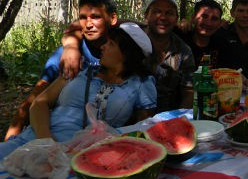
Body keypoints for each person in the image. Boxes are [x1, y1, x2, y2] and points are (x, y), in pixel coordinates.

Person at [0, 23, 157, 160]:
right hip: (34, 139)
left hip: (85, 156)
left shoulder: (141, 84)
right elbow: (39, 104)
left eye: (110, 44)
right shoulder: (81, 70)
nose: (102, 46)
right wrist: (45, 140)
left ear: (126, 54)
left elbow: (142, 130)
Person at [4, 0, 118, 141]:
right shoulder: (65, 56)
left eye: (96, 17)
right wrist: (10, 141)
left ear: (113, 18)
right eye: (83, 18)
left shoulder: (124, 52)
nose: (88, 24)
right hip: (58, 134)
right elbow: (33, 100)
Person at [143, 0, 196, 112]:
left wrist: (178, 119)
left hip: (167, 118)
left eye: (169, 13)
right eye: (157, 11)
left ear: (176, 19)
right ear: (146, 16)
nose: (163, 17)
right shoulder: (130, 41)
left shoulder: (183, 51)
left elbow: (188, 93)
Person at [174, 0, 224, 66]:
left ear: (219, 23)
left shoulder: (222, 43)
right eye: (204, 16)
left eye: (214, 19)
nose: (208, 23)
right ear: (193, 18)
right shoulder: (179, 37)